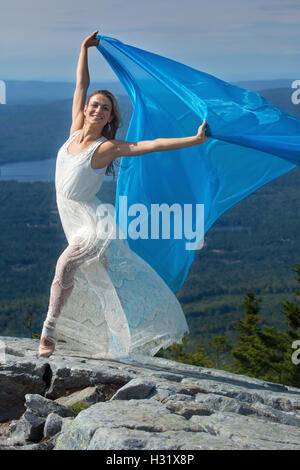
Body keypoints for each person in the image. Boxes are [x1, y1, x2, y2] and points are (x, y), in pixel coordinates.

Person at [38, 31, 208, 359]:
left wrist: (193, 139)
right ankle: (119, 344)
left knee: (65, 267)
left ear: (110, 118)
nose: (98, 110)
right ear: (87, 110)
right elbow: (81, 85)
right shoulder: (74, 131)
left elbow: (147, 145)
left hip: (94, 225)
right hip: (72, 220)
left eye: (105, 109)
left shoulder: (106, 149)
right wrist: (84, 50)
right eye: (95, 106)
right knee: (103, 289)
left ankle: (48, 332)